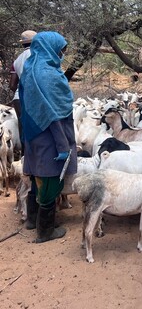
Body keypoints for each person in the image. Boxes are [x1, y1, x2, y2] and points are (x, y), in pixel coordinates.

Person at [19, 31, 77, 243]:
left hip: (33, 135)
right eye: (61, 50)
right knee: (51, 180)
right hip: (50, 138)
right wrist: (63, 146)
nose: (62, 53)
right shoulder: (49, 75)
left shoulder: (31, 68)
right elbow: (53, 115)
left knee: (36, 178)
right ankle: (45, 231)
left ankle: (32, 220)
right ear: (51, 49)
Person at [9, 30, 37, 152]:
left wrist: (20, 90)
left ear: (22, 44)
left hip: (18, 99)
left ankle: (25, 160)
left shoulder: (17, 61)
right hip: (34, 97)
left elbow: (12, 85)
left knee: (23, 129)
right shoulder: (37, 55)